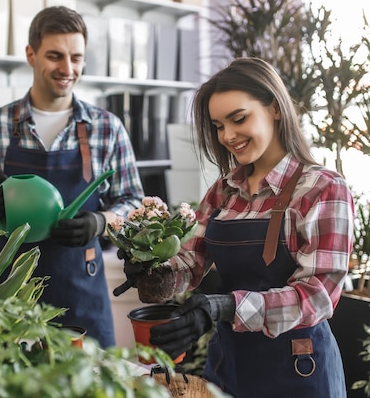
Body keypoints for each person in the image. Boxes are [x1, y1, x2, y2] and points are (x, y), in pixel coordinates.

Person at [118, 57, 354, 397]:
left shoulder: (324, 189)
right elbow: (189, 264)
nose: (227, 135)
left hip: (299, 372)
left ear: (274, 107)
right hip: (228, 367)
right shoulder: (222, 191)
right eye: (217, 126)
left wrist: (223, 306)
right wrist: (152, 270)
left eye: (238, 119)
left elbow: (317, 297)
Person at [0, 6, 145, 349]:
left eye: (76, 57)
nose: (67, 69)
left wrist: (101, 222)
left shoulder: (106, 127)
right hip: (9, 294)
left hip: (82, 294)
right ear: (31, 54)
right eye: (55, 56)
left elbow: (133, 203)